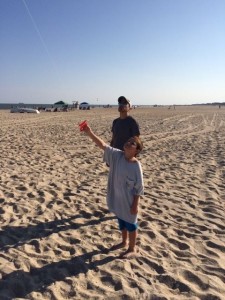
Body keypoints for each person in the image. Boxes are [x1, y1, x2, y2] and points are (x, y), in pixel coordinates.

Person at [82, 123, 144, 258]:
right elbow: (103, 145)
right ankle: (124, 242)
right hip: (118, 197)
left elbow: (139, 187)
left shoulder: (136, 165)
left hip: (129, 200)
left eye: (132, 143)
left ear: (136, 151)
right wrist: (89, 132)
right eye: (128, 141)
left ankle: (132, 248)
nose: (128, 143)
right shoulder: (118, 155)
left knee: (131, 223)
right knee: (121, 220)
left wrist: (135, 204)